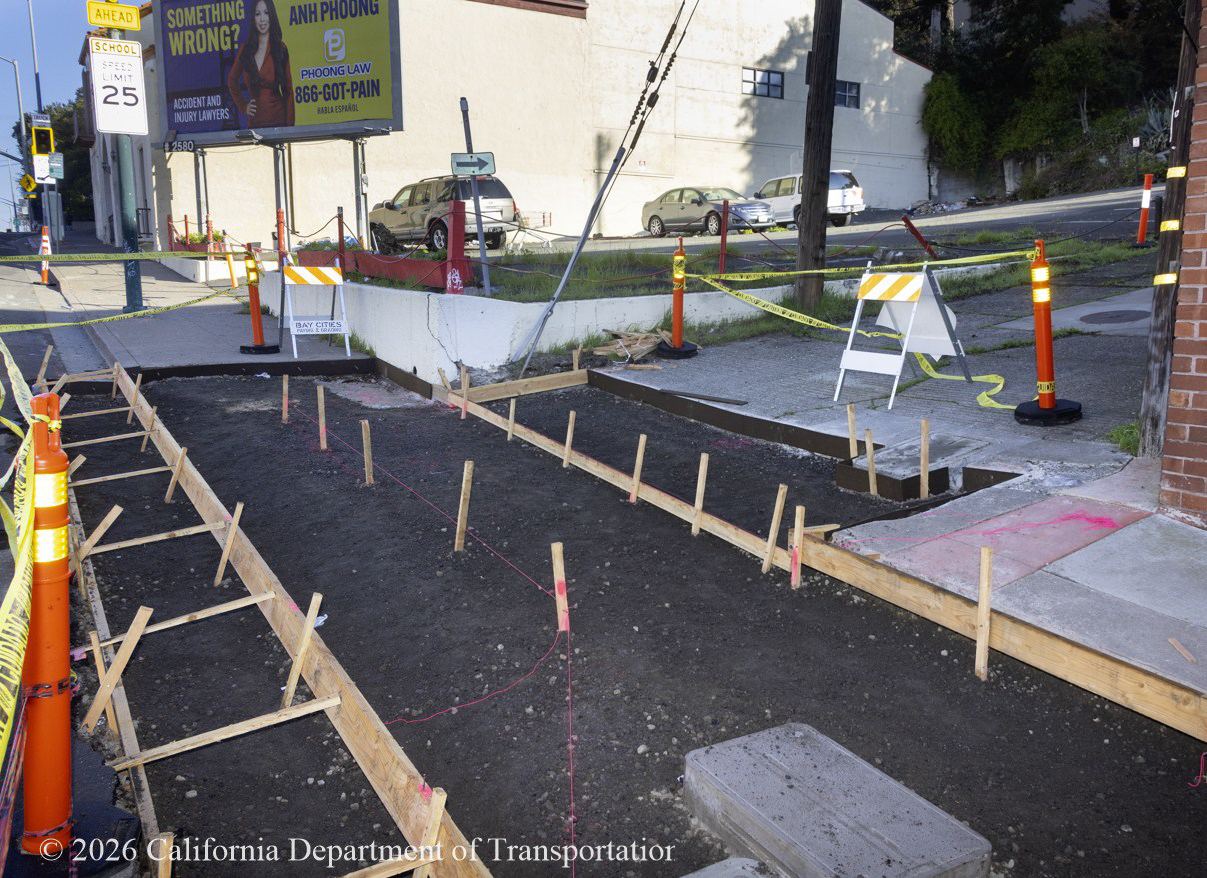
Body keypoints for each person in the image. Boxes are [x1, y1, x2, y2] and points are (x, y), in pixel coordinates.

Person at [227, 0, 295, 128]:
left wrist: (290, 129)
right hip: (255, 125)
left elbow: (289, 91)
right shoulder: (246, 50)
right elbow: (232, 80)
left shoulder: (280, 49)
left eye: (266, 13)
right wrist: (243, 106)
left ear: (271, 16)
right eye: (258, 14)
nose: (262, 19)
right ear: (253, 18)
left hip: (279, 123)